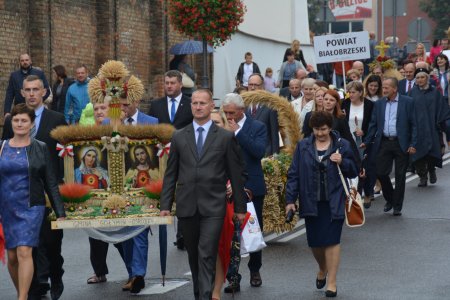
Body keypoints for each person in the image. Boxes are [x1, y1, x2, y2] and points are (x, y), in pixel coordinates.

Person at [160, 89, 247, 300]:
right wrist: (164, 205)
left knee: (207, 253)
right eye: (195, 103)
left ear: (211, 107)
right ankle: (200, 294)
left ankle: (206, 295)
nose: (198, 107)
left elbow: (236, 174)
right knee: (193, 256)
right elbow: (171, 174)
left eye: (202, 103)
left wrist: (240, 208)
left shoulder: (225, 137)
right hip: (187, 205)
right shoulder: (179, 136)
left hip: (213, 206)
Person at [2, 75, 67, 300]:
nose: (31, 93)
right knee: (14, 255)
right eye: (27, 89)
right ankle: (30, 288)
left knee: (36, 248)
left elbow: (56, 171)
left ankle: (35, 289)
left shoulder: (49, 130)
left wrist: (61, 209)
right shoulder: (5, 141)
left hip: (37, 201)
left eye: (35, 89)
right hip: (9, 204)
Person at [285, 111, 358, 298]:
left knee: (332, 241)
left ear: (330, 128)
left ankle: (332, 283)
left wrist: (342, 161)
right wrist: (290, 201)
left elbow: (353, 170)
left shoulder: (342, 145)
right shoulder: (303, 147)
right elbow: (294, 174)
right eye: (316, 129)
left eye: (323, 129)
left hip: (334, 200)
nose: (319, 133)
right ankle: (322, 267)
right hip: (311, 200)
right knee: (315, 243)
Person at [221, 93, 267, 293]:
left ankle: (255, 269)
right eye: (226, 112)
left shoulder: (257, 127)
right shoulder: (220, 127)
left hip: (252, 188)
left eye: (232, 112)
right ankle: (233, 277)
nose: (229, 116)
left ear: (242, 110)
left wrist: (238, 133)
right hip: (227, 186)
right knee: (231, 234)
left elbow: (258, 151)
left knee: (253, 230)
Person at [148, 69, 193, 250]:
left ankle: (182, 233)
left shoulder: (190, 104)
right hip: (161, 156)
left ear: (180, 84)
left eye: (172, 83)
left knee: (183, 192)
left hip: (185, 155)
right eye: (166, 83)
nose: (169, 86)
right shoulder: (156, 105)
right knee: (165, 189)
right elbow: (151, 129)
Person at [361, 77, 417, 216]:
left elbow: (414, 125)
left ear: (395, 89)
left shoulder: (407, 102)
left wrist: (413, 144)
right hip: (384, 142)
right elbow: (373, 124)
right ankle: (390, 199)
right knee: (380, 172)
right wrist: (367, 141)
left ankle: (397, 206)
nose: (383, 89)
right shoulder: (379, 104)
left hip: (401, 143)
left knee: (399, 175)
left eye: (386, 87)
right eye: (383, 87)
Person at [410, 68, 450, 187]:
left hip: (432, 128)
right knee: (418, 153)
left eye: (422, 77)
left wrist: (441, 125)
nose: (420, 79)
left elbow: (442, 109)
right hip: (417, 129)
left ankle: (432, 170)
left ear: (427, 78)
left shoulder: (435, 92)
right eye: (417, 78)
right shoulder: (411, 93)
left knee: (432, 152)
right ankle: (422, 176)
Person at [342, 81, 374, 208]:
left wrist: (364, 132)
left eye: (353, 92)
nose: (351, 94)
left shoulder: (369, 105)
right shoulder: (344, 104)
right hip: (349, 141)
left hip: (363, 141)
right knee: (354, 168)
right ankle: (356, 195)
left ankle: (367, 192)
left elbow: (373, 123)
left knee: (365, 168)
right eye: (349, 92)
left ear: (361, 92)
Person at [246, 73, 280, 155]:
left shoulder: (270, 106)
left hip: (265, 154)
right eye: (250, 85)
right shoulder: (242, 105)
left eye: (256, 85)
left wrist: (275, 156)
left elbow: (274, 134)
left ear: (262, 86)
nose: (253, 88)